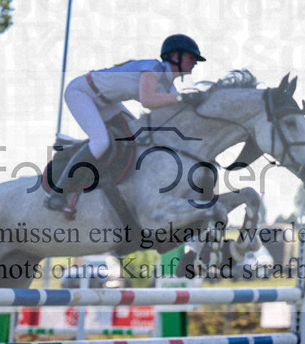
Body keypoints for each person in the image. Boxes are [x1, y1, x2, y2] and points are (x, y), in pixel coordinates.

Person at [49, 33, 208, 216]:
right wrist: (183, 98)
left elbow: (170, 118)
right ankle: (57, 193)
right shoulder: (153, 68)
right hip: (82, 92)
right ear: (175, 55)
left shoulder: (168, 86)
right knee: (101, 141)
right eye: (191, 57)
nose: (195, 62)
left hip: (106, 102)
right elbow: (147, 100)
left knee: (136, 135)